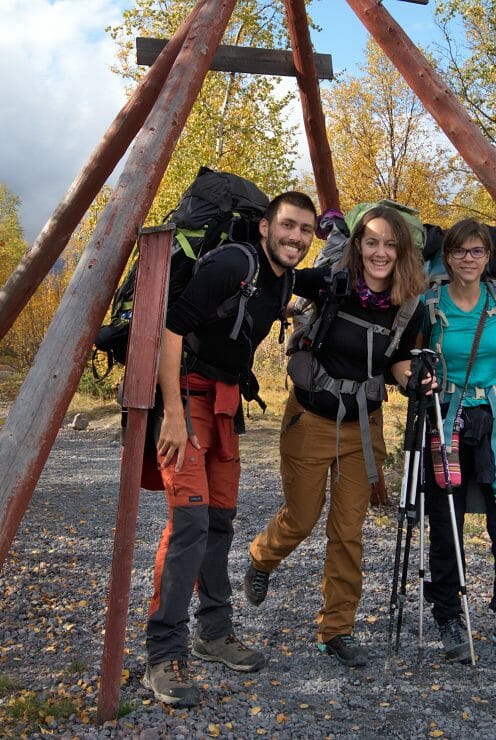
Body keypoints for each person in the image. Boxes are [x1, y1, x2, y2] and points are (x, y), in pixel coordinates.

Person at [142, 191, 317, 707]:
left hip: (223, 404)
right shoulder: (231, 264)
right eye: (288, 226)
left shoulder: (279, 276)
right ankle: (162, 654)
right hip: (186, 399)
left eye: (306, 230)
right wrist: (172, 414)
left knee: (220, 521)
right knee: (189, 524)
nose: (297, 238)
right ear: (265, 227)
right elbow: (172, 328)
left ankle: (214, 634)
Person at [244, 206, 426, 668]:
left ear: (401, 251)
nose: (380, 252)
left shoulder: (410, 303)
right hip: (310, 419)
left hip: (363, 427)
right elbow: (280, 273)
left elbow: (399, 362)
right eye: (372, 242)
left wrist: (416, 379)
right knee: (302, 519)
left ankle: (336, 629)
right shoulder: (330, 283)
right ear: (358, 245)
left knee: (348, 533)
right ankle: (262, 558)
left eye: (390, 244)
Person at [420, 218, 496, 664]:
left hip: (495, 417)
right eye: (460, 252)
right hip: (447, 418)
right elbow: (406, 359)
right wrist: (416, 377)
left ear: (489, 257)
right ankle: (449, 617)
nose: (469, 260)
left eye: (477, 252)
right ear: (447, 257)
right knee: (446, 521)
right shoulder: (429, 303)